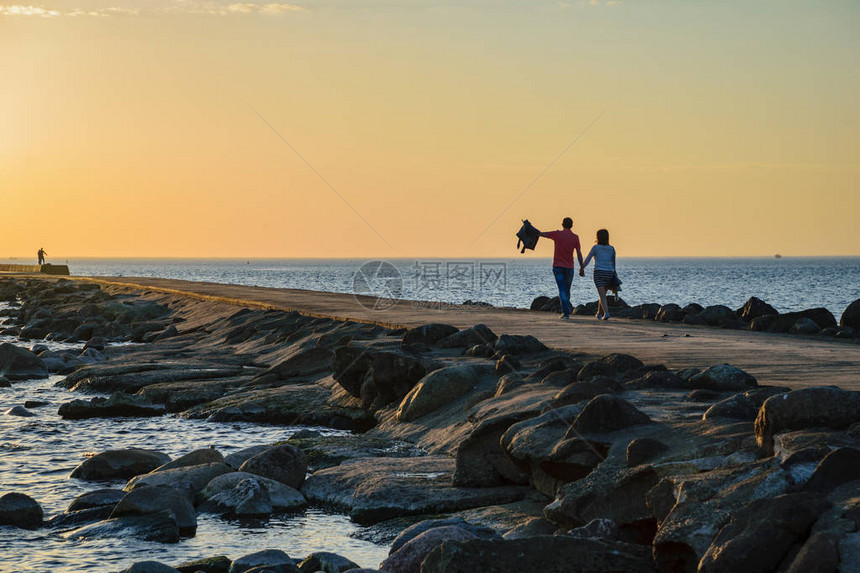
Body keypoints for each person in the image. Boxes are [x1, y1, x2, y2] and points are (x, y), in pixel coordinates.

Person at [540, 217, 583, 319]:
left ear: (562, 224)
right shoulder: (575, 237)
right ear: (572, 225)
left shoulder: (557, 234)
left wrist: (531, 229)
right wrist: (582, 267)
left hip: (558, 267)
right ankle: (566, 311)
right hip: (569, 268)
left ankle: (566, 313)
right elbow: (579, 253)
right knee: (567, 290)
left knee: (562, 290)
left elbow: (542, 234)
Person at [581, 229, 616, 320]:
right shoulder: (611, 248)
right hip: (609, 273)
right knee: (603, 294)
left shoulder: (595, 248)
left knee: (602, 295)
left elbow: (588, 259)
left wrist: (582, 268)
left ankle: (607, 313)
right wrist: (614, 274)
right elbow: (613, 263)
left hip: (599, 273)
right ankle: (599, 313)